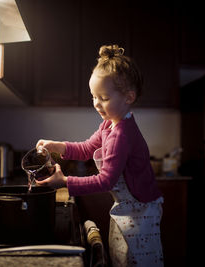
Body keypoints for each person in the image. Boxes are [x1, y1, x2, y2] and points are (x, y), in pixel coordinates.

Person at [36, 44, 164, 266]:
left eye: (103, 97)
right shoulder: (109, 125)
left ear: (128, 97)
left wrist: (64, 182)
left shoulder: (121, 135)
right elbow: (86, 148)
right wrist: (57, 145)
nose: (96, 103)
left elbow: (106, 181)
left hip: (139, 211)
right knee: (121, 257)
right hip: (128, 207)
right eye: (93, 96)